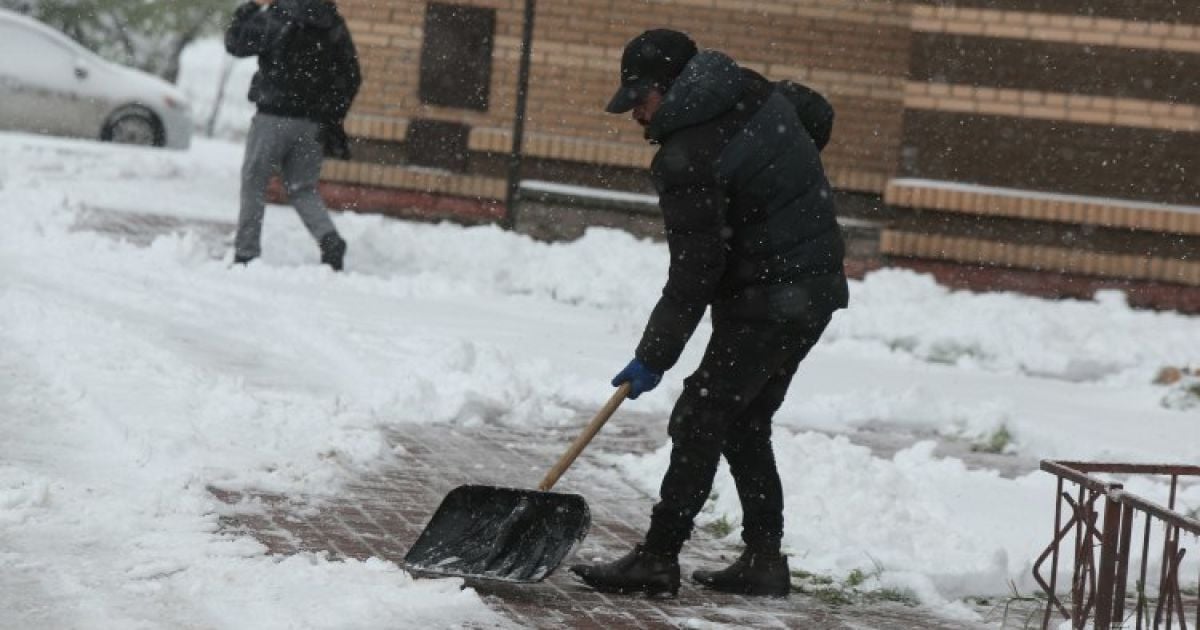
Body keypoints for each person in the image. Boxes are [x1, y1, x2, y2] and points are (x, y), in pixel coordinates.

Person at [569, 29, 849, 598]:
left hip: (772, 296)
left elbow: (695, 270)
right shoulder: (747, 89)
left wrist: (653, 356)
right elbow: (814, 114)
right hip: (813, 287)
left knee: (700, 416)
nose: (636, 116)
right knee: (742, 421)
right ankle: (764, 560)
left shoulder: (688, 155)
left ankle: (657, 557)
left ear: (668, 89)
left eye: (639, 100)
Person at [224, 0, 361, 271]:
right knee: (302, 188)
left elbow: (235, 43)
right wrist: (331, 115)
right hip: (311, 124)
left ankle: (246, 254)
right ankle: (329, 239)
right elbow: (352, 76)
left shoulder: (278, 15)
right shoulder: (333, 23)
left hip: (272, 118)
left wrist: (249, 7)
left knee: (254, 183)